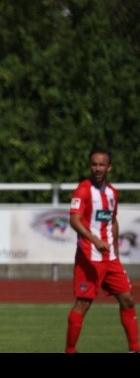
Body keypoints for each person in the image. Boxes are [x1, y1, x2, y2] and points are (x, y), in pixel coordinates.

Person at [64, 147, 140, 353]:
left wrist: (114, 250)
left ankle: (135, 349)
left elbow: (112, 221)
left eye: (101, 164)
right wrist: (95, 240)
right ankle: (70, 350)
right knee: (84, 303)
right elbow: (74, 220)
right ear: (90, 166)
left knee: (128, 299)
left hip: (110, 258)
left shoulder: (113, 193)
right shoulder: (83, 190)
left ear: (109, 167)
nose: (97, 168)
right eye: (94, 164)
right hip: (89, 256)